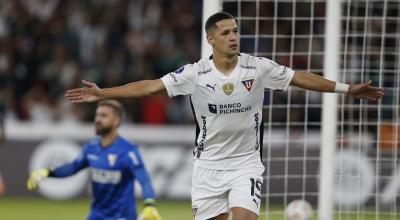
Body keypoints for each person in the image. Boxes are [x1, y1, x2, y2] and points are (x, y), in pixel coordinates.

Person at [65, 12, 384, 220]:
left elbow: (299, 77)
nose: (233, 36)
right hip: (207, 167)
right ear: (211, 39)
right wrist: (103, 93)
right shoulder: (194, 73)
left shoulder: (257, 67)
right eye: (226, 32)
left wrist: (346, 89)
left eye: (235, 31)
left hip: (246, 163)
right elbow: (150, 87)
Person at [27, 100, 161, 220]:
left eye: (104, 116)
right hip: (97, 215)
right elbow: (73, 167)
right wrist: (46, 172)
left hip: (121, 216)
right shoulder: (91, 147)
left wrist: (149, 204)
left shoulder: (128, 150)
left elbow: (144, 179)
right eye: (97, 115)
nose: (98, 119)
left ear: (117, 121)